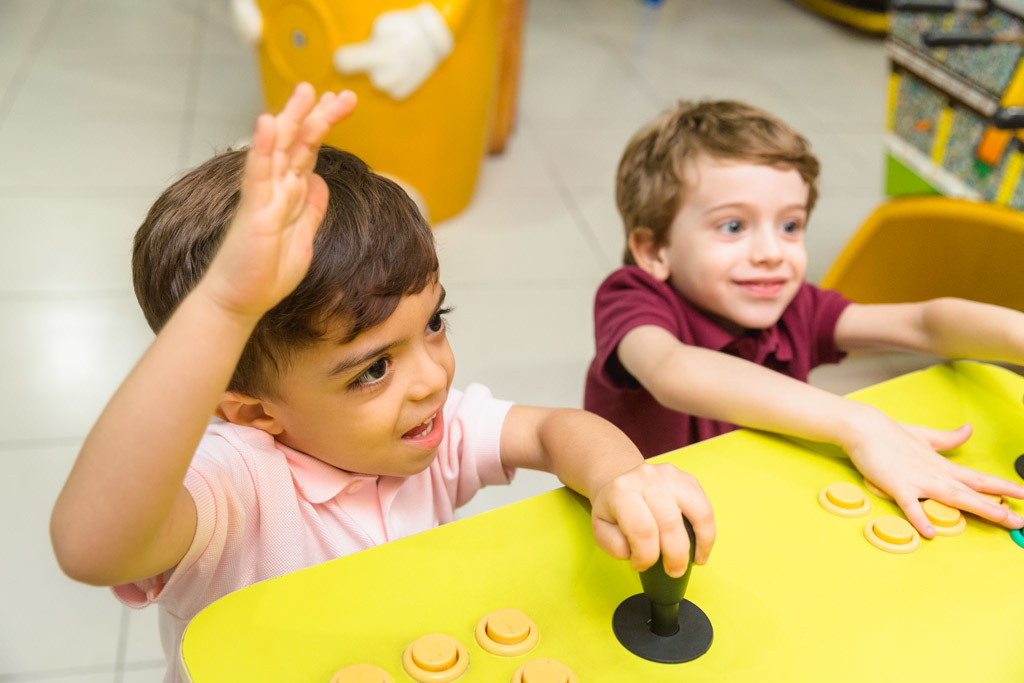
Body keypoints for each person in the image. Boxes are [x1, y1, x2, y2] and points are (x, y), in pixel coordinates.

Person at [49, 84, 715, 681]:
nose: (432, 378)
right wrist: (224, 306)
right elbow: (91, 545)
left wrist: (622, 478)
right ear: (254, 409)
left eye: (433, 323)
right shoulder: (236, 486)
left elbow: (550, 430)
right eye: (374, 368)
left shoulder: (427, 429)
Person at [584, 99, 1024, 540]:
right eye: (734, 226)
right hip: (643, 529)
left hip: (755, 511)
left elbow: (924, 324)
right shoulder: (632, 296)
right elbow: (673, 370)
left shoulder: (795, 306)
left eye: (790, 226)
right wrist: (861, 424)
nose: (772, 253)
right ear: (654, 251)